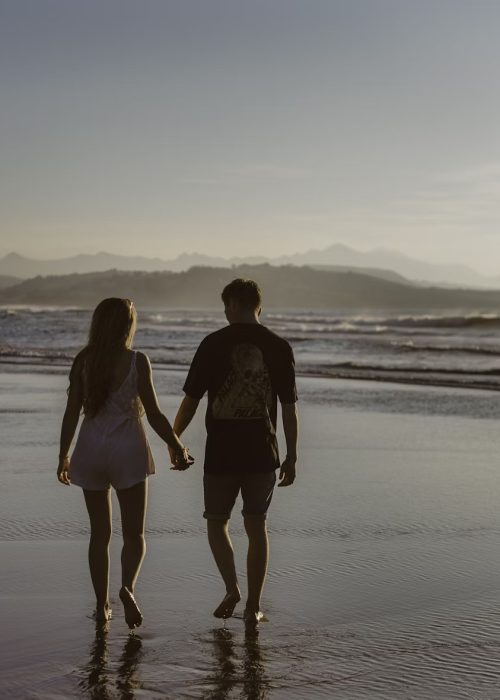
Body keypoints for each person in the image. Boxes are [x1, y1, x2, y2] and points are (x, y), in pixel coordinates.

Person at [57, 297, 192, 627]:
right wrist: (177, 445)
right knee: (134, 534)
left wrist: (63, 455)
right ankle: (127, 588)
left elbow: (71, 412)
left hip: (91, 449)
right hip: (127, 448)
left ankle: (102, 606)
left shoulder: (84, 361)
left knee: (99, 534)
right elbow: (156, 414)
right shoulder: (137, 361)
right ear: (127, 326)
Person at [170, 278, 298, 626]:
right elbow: (288, 408)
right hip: (262, 450)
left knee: (216, 522)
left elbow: (191, 401)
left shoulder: (212, 344)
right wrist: (292, 455)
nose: (225, 313)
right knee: (257, 525)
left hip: (222, 452)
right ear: (259, 304)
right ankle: (254, 606)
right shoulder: (279, 346)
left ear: (234, 305)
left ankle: (232, 588)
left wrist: (174, 440)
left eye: (226, 306)